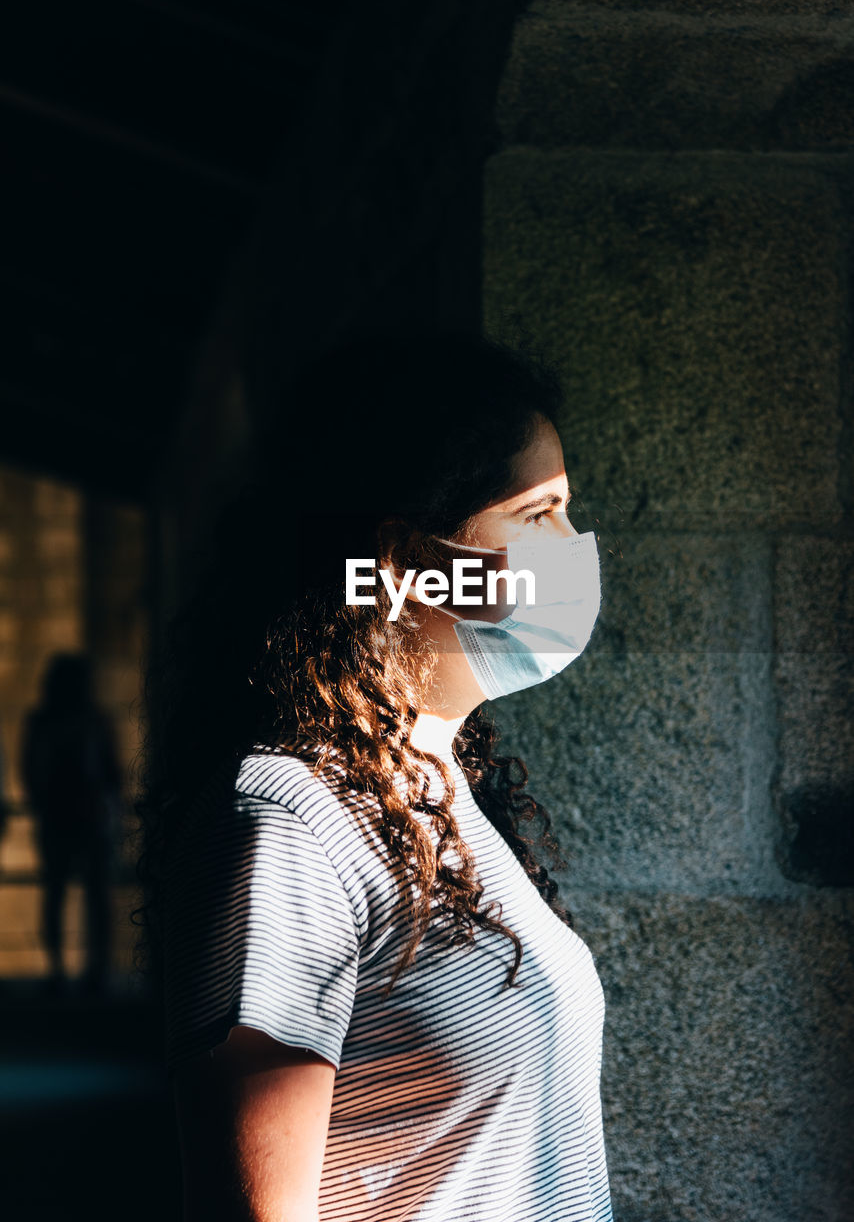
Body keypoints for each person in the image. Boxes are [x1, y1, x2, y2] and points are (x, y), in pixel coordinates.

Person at [146, 333, 613, 1222]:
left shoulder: (441, 789)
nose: (576, 546)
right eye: (538, 513)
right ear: (403, 559)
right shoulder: (288, 822)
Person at [22, 651, 121, 995]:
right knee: (83, 894)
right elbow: (111, 771)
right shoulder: (91, 720)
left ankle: (70, 970)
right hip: (80, 814)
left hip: (66, 814)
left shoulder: (48, 721)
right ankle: (87, 969)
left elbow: (33, 768)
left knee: (65, 893)